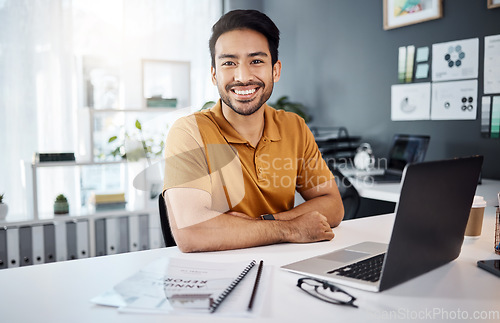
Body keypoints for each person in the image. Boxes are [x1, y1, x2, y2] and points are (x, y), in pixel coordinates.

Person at [162, 9, 344, 253]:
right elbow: (192, 232)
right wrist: (291, 229)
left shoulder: (294, 127)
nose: (243, 76)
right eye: (229, 63)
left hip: (283, 264)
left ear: (275, 70)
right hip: (217, 276)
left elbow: (333, 204)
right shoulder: (189, 132)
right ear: (214, 75)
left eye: (256, 61)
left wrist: (265, 223)